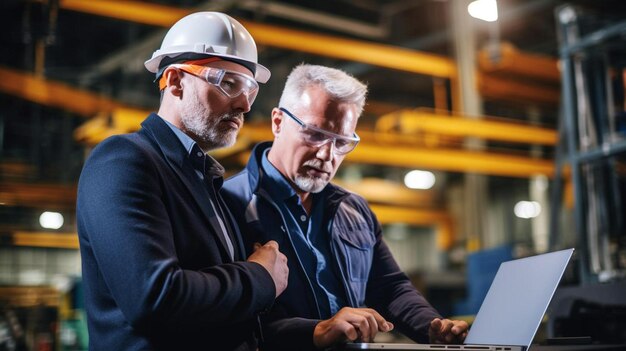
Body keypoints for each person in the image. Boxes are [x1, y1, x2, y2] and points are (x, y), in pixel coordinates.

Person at [76, 12, 289, 351]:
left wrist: (315, 331)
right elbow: (156, 297)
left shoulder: (203, 179)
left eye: (250, 88)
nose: (245, 104)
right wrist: (260, 278)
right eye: (228, 83)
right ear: (175, 81)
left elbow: (228, 319)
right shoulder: (123, 160)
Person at [221, 64, 469, 350]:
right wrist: (315, 331)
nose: (328, 154)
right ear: (278, 122)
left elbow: (389, 287)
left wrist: (432, 326)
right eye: (315, 134)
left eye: (342, 142)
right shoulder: (228, 203)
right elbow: (223, 317)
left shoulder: (354, 211)